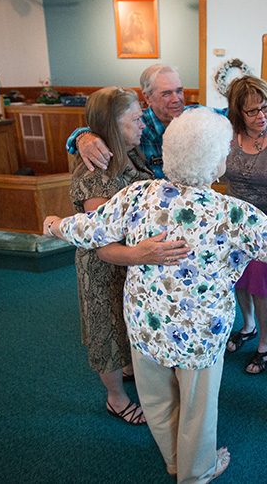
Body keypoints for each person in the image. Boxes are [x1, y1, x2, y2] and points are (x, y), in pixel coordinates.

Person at [44, 107, 267, 483]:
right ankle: (195, 472)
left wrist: (54, 225)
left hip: (145, 326)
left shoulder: (140, 194)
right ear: (217, 162)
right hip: (199, 336)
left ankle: (173, 460)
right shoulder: (232, 214)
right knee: (197, 411)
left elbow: (89, 229)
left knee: (156, 401)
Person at [67, 86, 174, 426]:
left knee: (126, 322)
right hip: (106, 264)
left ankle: (129, 367)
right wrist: (142, 253)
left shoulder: (129, 150)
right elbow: (100, 240)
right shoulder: (94, 170)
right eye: (136, 119)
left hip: (133, 260)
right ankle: (116, 398)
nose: (143, 124)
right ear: (113, 124)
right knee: (107, 330)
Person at [66, 64, 267, 178]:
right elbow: (103, 128)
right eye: (166, 93)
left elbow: (234, 113)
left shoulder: (195, 115)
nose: (177, 99)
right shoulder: (136, 125)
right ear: (147, 97)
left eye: (179, 90)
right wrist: (83, 137)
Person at [221, 76, 267, 375]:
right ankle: (248, 326)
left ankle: (266, 342)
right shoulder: (226, 133)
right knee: (239, 281)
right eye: (251, 111)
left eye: (265, 108)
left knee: (263, 288)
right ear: (238, 112)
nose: (261, 116)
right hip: (235, 225)